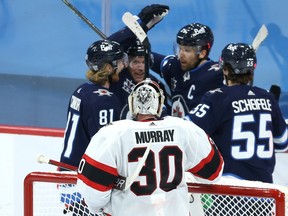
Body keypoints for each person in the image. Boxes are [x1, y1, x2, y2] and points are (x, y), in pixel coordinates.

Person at [76, 78, 224, 216]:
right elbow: (214, 173)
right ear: (160, 104)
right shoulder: (183, 128)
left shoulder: (112, 134)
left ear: (132, 102)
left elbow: (93, 198)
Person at [185, 43, 288, 183]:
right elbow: (283, 142)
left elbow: (186, 130)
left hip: (231, 189)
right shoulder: (268, 98)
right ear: (253, 68)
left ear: (225, 70)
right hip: (265, 192)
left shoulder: (217, 98)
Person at [108, 5, 224, 118]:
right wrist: (139, 26)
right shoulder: (173, 66)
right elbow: (106, 50)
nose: (181, 54)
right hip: (176, 136)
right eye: (180, 48)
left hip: (204, 136)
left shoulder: (217, 74)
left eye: (187, 50)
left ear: (203, 53)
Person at [60, 39, 128, 169]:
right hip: (83, 179)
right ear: (108, 68)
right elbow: (106, 149)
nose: (123, 65)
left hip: (66, 171)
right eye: (119, 62)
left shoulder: (81, 91)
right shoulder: (105, 100)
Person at [109, 39, 171, 119]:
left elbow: (164, 117)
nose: (141, 68)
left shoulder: (156, 85)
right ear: (126, 63)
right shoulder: (116, 78)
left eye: (144, 62)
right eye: (135, 62)